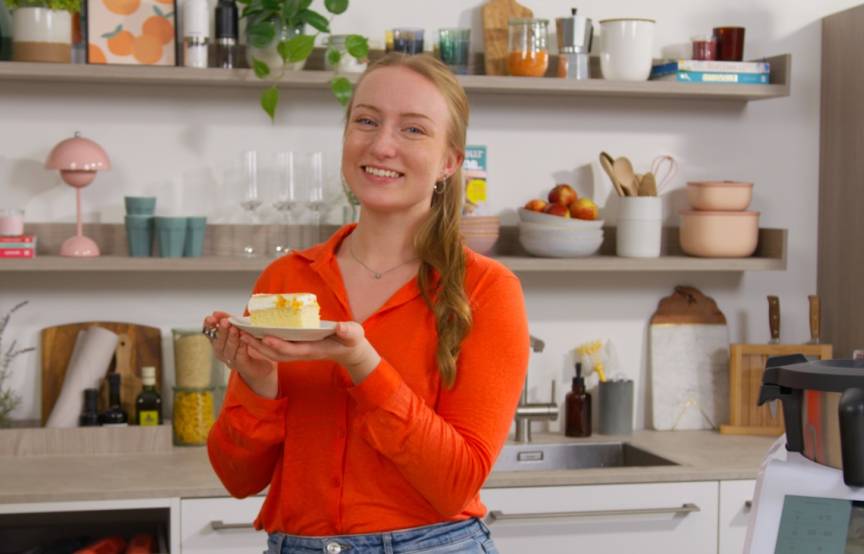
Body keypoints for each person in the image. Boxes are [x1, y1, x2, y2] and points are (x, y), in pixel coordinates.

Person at [203, 52, 529, 554]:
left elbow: (455, 483)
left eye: (413, 130)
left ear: (450, 161)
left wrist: (362, 363)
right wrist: (259, 386)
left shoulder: (486, 289)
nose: (381, 145)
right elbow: (238, 478)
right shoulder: (286, 278)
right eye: (366, 121)